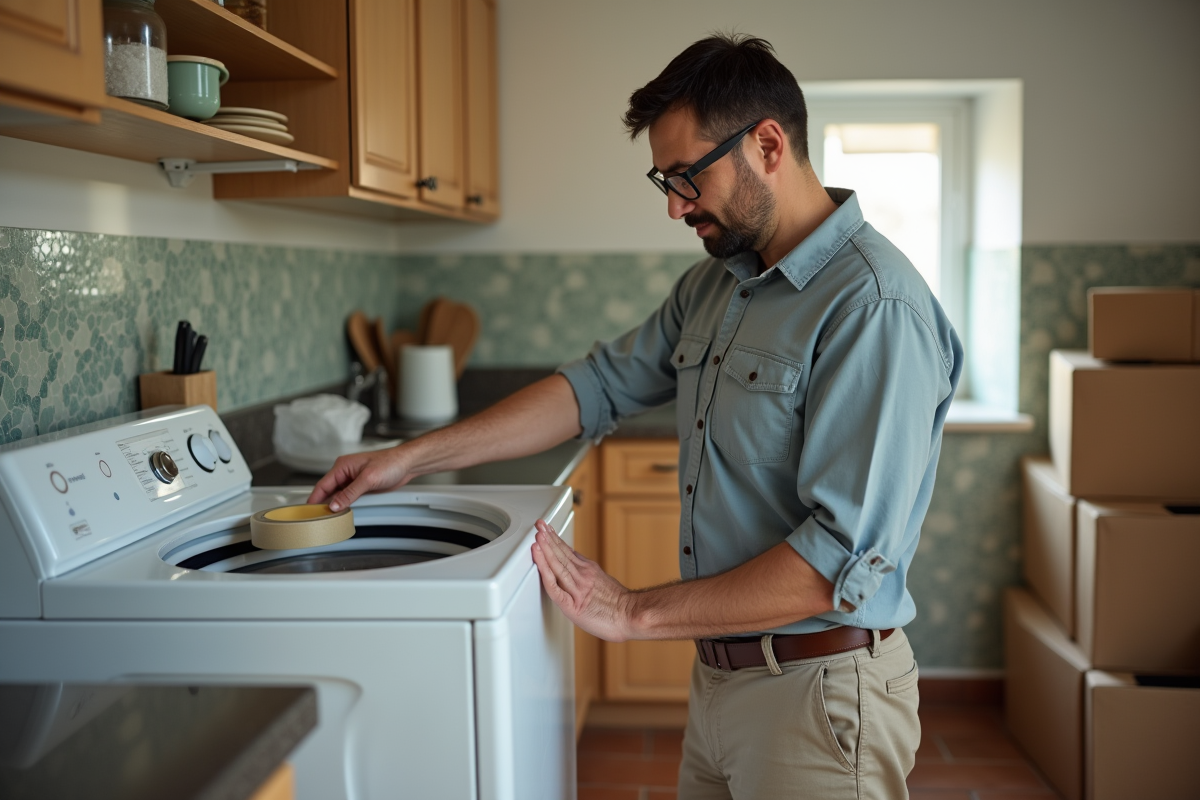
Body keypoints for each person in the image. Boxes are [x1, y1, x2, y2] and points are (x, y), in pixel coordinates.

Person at [310, 33, 961, 800]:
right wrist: (409, 458)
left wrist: (632, 611)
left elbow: (835, 564)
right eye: (664, 180)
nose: (675, 205)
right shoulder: (715, 287)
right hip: (720, 681)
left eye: (687, 177)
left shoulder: (874, 306)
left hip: (817, 697)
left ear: (768, 146)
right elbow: (594, 388)